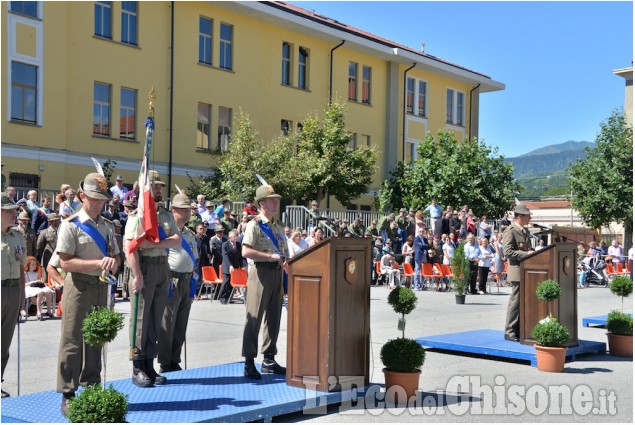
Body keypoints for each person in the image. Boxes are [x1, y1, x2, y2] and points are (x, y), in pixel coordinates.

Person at [55, 173, 121, 416]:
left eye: (102, 199)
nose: (98, 203)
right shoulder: (70, 225)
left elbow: (116, 255)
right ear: (82, 196)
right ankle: (68, 392)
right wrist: (97, 263)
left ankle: (91, 384)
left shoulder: (106, 226)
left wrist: (114, 262)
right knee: (72, 340)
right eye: (93, 198)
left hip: (101, 286)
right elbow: (66, 263)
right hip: (78, 287)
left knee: (96, 338)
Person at [124, 170, 181, 388]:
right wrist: (137, 275)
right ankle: (137, 367)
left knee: (156, 317)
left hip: (161, 267)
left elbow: (176, 240)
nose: (158, 190)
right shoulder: (137, 216)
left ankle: (149, 364)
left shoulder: (165, 215)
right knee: (140, 318)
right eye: (154, 186)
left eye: (159, 186)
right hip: (145, 267)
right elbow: (131, 249)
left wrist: (157, 244)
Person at [241, 183, 289, 380]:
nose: (276, 202)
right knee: (254, 318)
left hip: (277, 273)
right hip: (260, 272)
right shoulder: (254, 225)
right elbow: (245, 251)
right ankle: (249, 361)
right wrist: (270, 257)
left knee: (274, 317)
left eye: (276, 199)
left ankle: (269, 358)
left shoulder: (278, 226)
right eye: (272, 200)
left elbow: (284, 252)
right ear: (262, 203)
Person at [158, 193, 198, 373]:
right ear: (173, 210)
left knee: (181, 322)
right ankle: (165, 362)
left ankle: (175, 358)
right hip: (171, 278)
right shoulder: (167, 232)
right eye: (184, 209)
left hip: (186, 280)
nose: (188, 213)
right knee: (168, 322)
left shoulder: (189, 234)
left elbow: (195, 257)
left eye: (189, 209)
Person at [1, 193, 27, 399]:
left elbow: (21, 269)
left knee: (5, 342)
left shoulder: (18, 235)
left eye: (13, 210)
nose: (13, 214)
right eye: (8, 211)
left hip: (12, 291)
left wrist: (22, 298)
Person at [502, 204, 533, 342]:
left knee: (524, 302)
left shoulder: (525, 231)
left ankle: (520, 329)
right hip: (517, 271)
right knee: (516, 302)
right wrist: (527, 254)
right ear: (520, 216)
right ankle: (509, 330)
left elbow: (529, 249)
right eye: (528, 215)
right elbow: (508, 252)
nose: (530, 217)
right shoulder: (510, 230)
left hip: (527, 271)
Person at [23, 256, 55, 320]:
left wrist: (39, 282)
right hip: (29, 287)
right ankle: (38, 311)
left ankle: (48, 310)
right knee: (40, 292)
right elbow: (24, 284)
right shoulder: (25, 274)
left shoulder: (36, 273)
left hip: (36, 287)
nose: (34, 266)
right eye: (32, 264)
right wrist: (33, 282)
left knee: (48, 291)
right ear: (28, 265)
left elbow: (38, 281)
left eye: (35, 264)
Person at [218, 229, 245, 304]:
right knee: (225, 282)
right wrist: (230, 266)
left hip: (235, 267)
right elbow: (225, 256)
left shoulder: (239, 245)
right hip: (227, 267)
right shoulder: (225, 244)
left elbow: (240, 256)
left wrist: (241, 266)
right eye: (234, 237)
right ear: (230, 238)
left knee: (231, 283)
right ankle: (222, 298)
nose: (236, 238)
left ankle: (229, 297)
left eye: (236, 236)